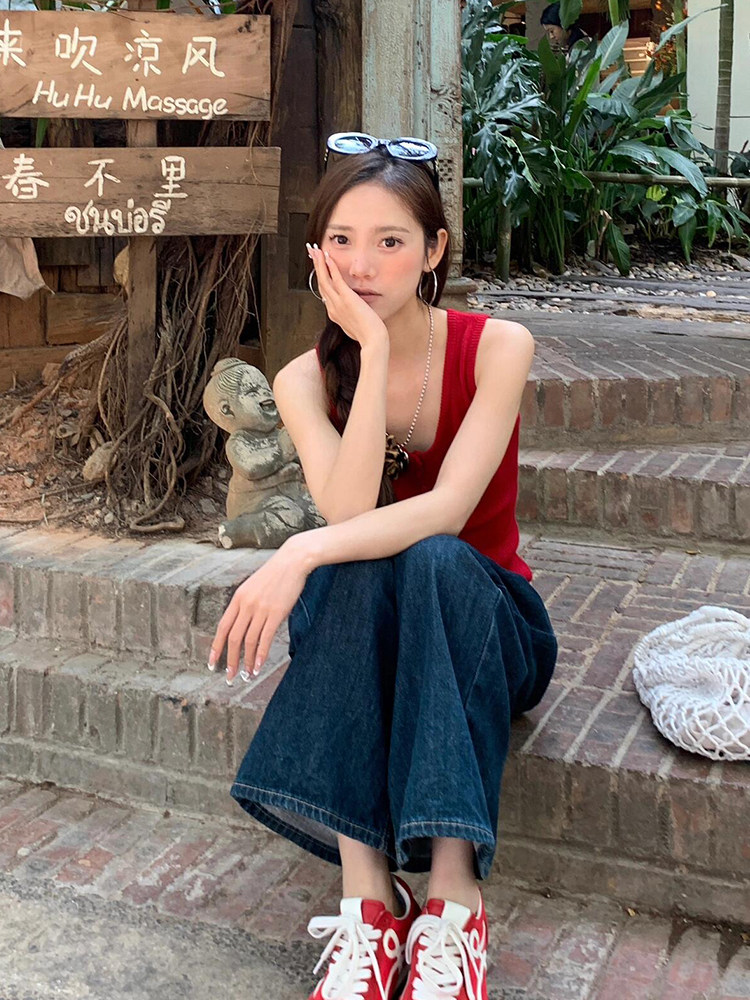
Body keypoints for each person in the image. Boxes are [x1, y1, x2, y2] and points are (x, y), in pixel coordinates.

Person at [209, 133, 558, 1000]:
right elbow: (352, 513)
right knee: (354, 568)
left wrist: (297, 549)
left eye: (390, 241)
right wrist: (367, 355)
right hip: (378, 631)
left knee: (426, 556)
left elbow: (445, 513)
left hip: (490, 630)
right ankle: (370, 901)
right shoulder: (302, 380)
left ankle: (455, 900)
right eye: (341, 240)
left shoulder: (498, 346)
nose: (361, 265)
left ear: (434, 251)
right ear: (316, 251)